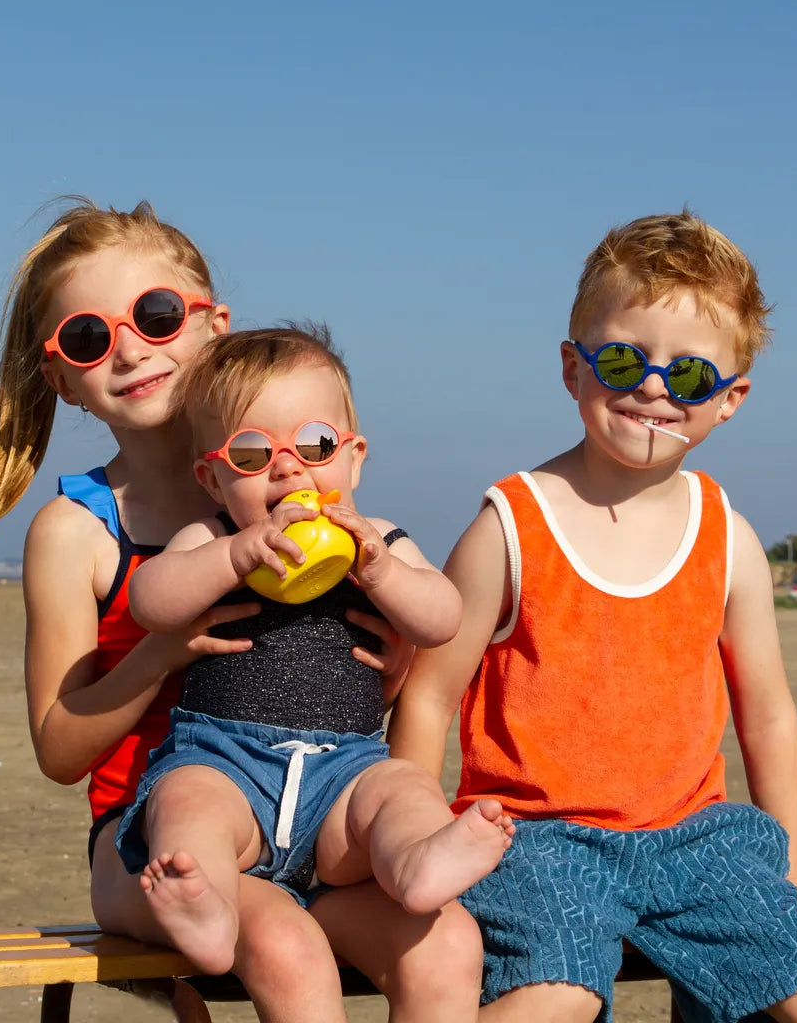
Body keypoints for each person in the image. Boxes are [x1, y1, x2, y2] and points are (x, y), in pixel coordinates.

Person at [0, 198, 488, 1022]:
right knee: (285, 946)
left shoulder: (297, 477)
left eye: (157, 316)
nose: (129, 348)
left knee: (446, 941)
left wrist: (396, 667)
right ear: (63, 379)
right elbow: (61, 748)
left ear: (213, 325)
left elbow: (408, 646)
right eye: (90, 339)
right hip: (159, 839)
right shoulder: (79, 531)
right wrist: (164, 654)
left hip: (319, 807)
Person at [387, 212, 797, 1023]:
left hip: (699, 839)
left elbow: (769, 714)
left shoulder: (729, 538)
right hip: (539, 841)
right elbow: (430, 697)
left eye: (690, 377)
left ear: (730, 401)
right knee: (557, 998)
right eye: (623, 360)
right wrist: (408, 849)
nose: (654, 388)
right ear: (574, 370)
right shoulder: (510, 524)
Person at [119, 326, 516, 979]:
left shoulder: (378, 539)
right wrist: (236, 554)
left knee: (402, 785)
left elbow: (444, 616)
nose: (288, 466)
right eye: (251, 454)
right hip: (226, 761)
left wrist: (383, 572)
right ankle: (208, 912)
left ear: (353, 458)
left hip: (344, 775)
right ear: (212, 480)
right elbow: (151, 601)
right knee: (186, 801)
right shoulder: (213, 535)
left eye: (315, 444)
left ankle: (417, 861)